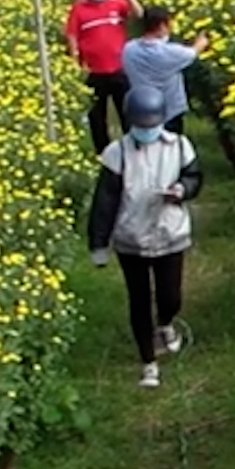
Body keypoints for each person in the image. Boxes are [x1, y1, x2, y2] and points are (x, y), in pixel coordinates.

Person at [89, 85, 203, 388]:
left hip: (170, 232)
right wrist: (98, 243)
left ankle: (165, 324)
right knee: (139, 300)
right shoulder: (117, 153)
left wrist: (181, 191)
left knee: (170, 296)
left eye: (151, 126)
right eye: (141, 126)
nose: (146, 131)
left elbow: (194, 177)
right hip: (132, 237)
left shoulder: (179, 145)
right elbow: (105, 200)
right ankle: (148, 362)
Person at [64, 0, 143, 154]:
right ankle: (104, 152)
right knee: (97, 115)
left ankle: (133, 147)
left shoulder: (117, 4)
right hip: (93, 70)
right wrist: (75, 61)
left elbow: (139, 14)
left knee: (126, 111)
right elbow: (72, 36)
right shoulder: (79, 9)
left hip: (118, 68)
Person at [122, 5, 210, 136]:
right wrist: (201, 40)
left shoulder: (129, 49)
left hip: (140, 109)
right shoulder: (167, 53)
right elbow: (192, 53)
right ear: (162, 26)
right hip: (168, 113)